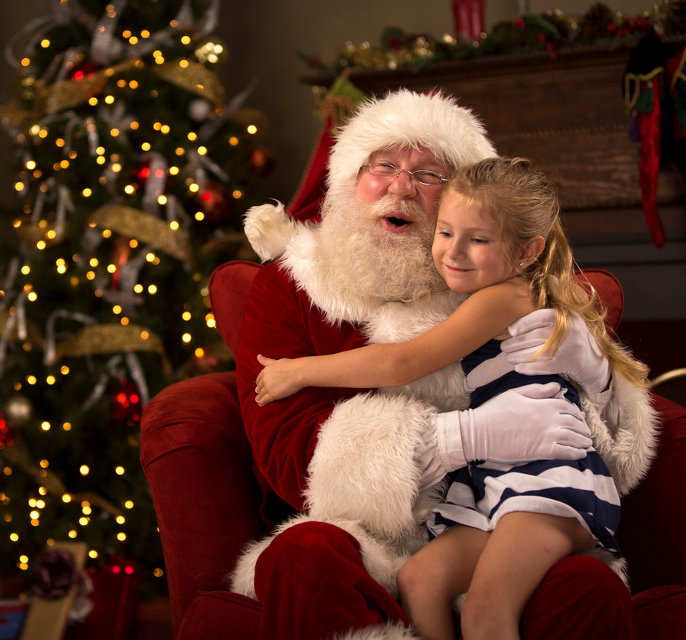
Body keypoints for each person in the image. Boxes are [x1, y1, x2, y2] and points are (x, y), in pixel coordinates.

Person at [231, 89, 657, 640]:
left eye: (428, 175)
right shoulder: (292, 285)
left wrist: (596, 381)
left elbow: (604, 436)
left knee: (582, 588)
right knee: (303, 556)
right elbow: (287, 456)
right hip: (368, 533)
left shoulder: (493, 283)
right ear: (347, 182)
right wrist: (460, 437)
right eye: (381, 165)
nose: (400, 185)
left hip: (501, 508)